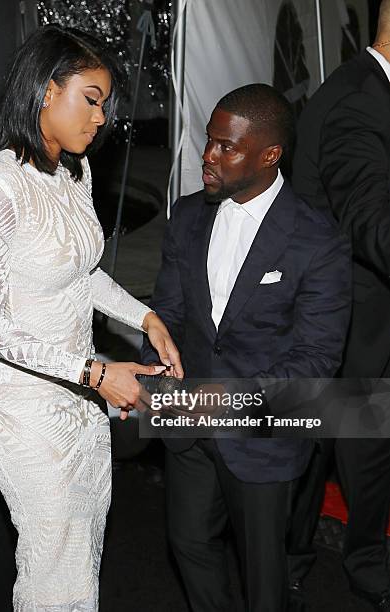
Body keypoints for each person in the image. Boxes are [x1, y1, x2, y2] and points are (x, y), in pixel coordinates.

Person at [0, 25, 183, 612]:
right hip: (21, 409)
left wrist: (147, 317)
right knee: (53, 566)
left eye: (105, 104)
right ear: (43, 91)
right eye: (90, 98)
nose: (101, 117)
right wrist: (94, 372)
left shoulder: (73, 174)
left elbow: (82, 274)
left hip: (80, 404)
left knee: (83, 556)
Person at [141, 84, 351, 612]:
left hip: (262, 437)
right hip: (187, 425)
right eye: (209, 142)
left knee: (264, 579)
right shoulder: (187, 216)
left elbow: (317, 358)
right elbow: (169, 312)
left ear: (269, 155)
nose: (208, 156)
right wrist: (159, 374)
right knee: (188, 544)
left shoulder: (317, 240)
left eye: (225, 147)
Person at [289, 2, 390, 610]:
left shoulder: (368, 89)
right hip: (343, 322)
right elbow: (373, 222)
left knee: (334, 449)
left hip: (351, 318)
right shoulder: (358, 98)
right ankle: (342, 568)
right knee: (344, 448)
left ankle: (302, 562)